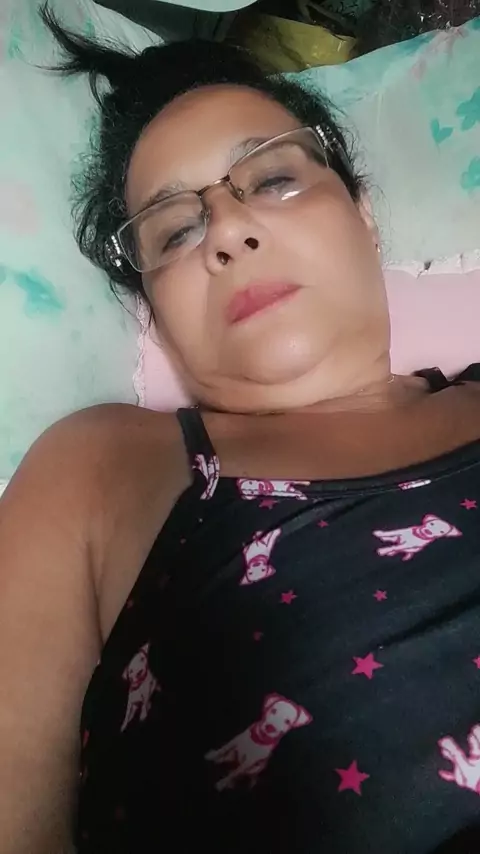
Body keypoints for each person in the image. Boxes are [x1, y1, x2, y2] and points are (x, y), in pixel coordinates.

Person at [1, 8, 480, 853]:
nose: (226, 229)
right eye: (176, 231)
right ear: (156, 316)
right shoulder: (103, 471)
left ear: (364, 213)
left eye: (273, 179)